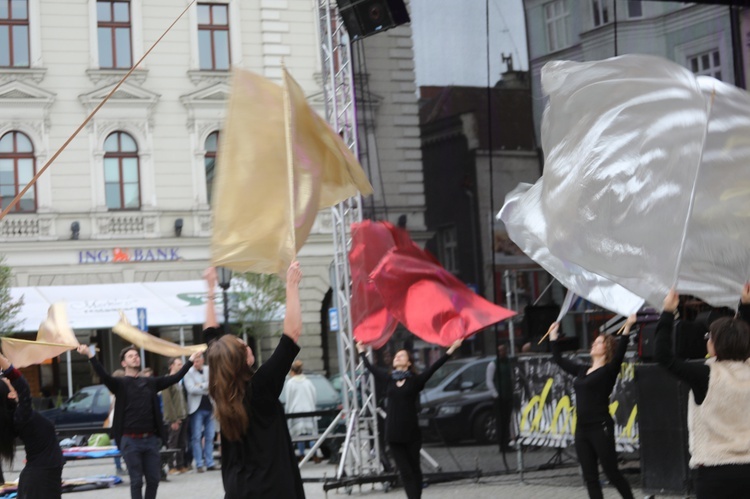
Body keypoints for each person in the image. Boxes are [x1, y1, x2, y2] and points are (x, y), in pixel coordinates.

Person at [207, 261, 304, 498]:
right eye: (242, 344)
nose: (245, 342)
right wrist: (291, 285)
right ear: (244, 359)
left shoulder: (221, 390)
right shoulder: (260, 387)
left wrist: (210, 291)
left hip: (238, 488)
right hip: (271, 487)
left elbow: (211, 336)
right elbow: (291, 335)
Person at [655, 285, 750, 498]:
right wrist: (745, 307)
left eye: (710, 336)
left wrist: (668, 312)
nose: (707, 340)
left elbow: (663, 356)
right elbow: (743, 338)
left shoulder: (705, 375)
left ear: (715, 344)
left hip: (714, 471)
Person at [77, 343, 200, 499]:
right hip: (130, 441)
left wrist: (189, 361)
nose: (135, 357)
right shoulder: (120, 384)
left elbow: (175, 377)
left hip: (150, 440)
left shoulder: (150, 382)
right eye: (130, 356)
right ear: (123, 363)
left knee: (154, 480)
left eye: (136, 355)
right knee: (136, 481)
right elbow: (103, 375)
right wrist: (90, 354)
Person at [356, 338, 463, 499]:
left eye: (402, 355)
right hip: (393, 434)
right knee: (405, 472)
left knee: (415, 469)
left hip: (411, 434)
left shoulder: (415, 380)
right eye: (396, 355)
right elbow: (370, 367)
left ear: (408, 363)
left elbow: (435, 367)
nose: (397, 357)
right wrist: (361, 351)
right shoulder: (388, 378)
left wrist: (452, 348)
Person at [548, 317, 636, 499]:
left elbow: (620, 354)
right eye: (594, 343)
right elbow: (558, 359)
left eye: (599, 343)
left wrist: (627, 327)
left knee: (612, 473)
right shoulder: (582, 370)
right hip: (582, 429)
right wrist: (553, 337)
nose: (594, 345)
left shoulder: (608, 371)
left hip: (600, 427)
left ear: (607, 349)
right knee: (590, 478)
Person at [0, 350, 64, 498]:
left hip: (42, 474)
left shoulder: (16, 415)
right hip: (40, 478)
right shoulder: (22, 415)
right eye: (9, 383)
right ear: (11, 394)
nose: (11, 381)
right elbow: (22, 385)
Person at [184, 352, 216, 473]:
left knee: (210, 436)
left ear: (203, 360)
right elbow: (191, 389)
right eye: (194, 361)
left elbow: (215, 385)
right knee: (196, 437)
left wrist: (201, 385)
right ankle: (199, 463)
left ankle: (210, 462)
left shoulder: (209, 370)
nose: (195, 363)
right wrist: (206, 386)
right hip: (196, 409)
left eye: (198, 361)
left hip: (210, 407)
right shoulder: (189, 372)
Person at [284, 360, 318, 460]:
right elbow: (314, 396)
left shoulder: (290, 383)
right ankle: (314, 454)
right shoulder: (308, 382)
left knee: (299, 434)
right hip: (309, 410)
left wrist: (288, 410)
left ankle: (302, 454)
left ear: (292, 371)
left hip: (295, 411)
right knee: (312, 433)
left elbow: (288, 398)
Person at [162, 358, 189, 474]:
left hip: (183, 415)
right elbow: (167, 402)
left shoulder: (179, 380)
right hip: (174, 417)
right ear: (171, 366)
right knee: (173, 442)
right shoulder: (167, 380)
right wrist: (173, 419)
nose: (181, 366)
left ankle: (180, 464)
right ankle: (171, 466)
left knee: (182, 442)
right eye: (179, 364)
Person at [486, 343, 514, 453]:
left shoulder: (509, 362)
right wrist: (496, 394)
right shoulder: (493, 364)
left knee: (507, 421)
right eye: (500, 351)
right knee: (500, 421)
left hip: (508, 395)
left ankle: (507, 442)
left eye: (503, 350)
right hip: (499, 397)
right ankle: (501, 445)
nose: (502, 353)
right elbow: (489, 381)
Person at [104, 369, 127, 476]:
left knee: (116, 445)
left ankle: (119, 467)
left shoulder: (112, 392)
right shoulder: (120, 392)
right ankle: (123, 466)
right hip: (118, 422)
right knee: (123, 445)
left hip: (113, 422)